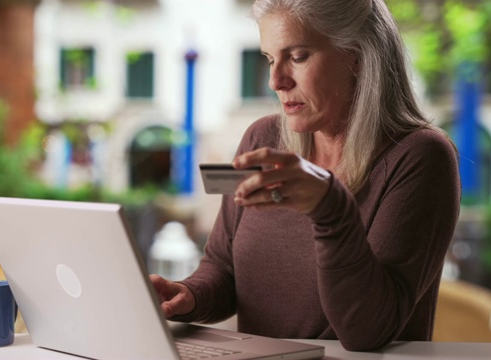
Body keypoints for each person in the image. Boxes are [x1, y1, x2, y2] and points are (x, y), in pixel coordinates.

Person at [150, 0, 460, 351]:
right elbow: (223, 268)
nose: (275, 81)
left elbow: (368, 331)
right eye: (269, 59)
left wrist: (331, 209)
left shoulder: (419, 156)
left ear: (357, 56)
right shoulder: (263, 139)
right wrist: (188, 296)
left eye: (297, 57)